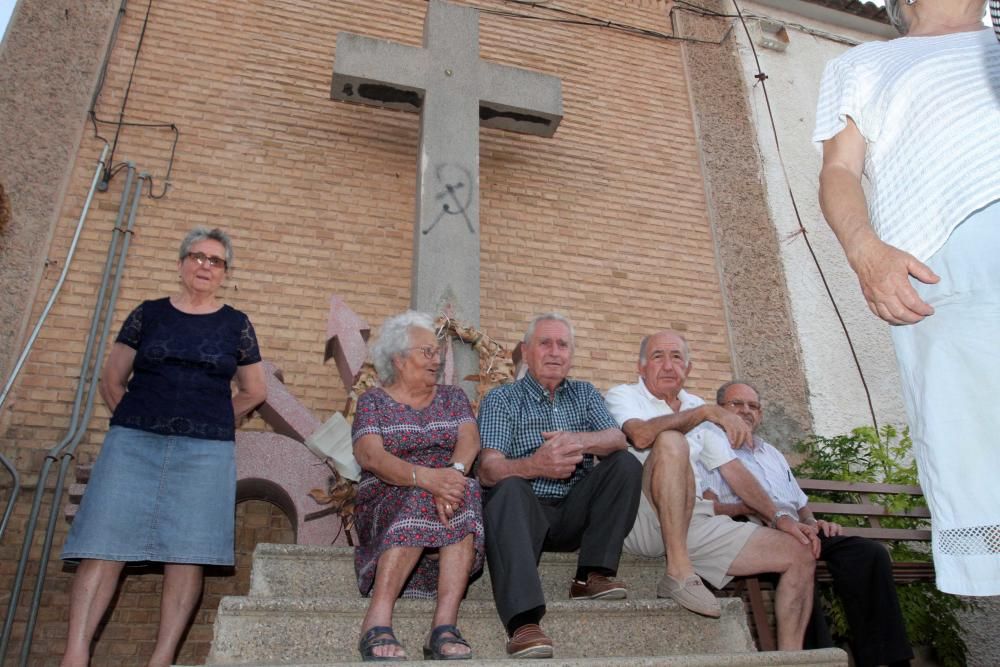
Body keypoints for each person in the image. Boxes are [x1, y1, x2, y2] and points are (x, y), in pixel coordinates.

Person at [814, 0, 1000, 595]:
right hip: (945, 270)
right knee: (979, 460)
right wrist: (866, 251)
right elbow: (839, 169)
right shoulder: (866, 62)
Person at [60, 228, 267, 667]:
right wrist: (138, 418)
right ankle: (74, 656)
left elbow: (254, 391)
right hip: (132, 445)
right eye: (197, 257)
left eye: (215, 261)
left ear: (225, 272)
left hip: (204, 453)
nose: (204, 266)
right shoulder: (148, 314)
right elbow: (111, 380)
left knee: (187, 552)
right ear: (180, 263)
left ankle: (162, 659)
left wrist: (209, 420)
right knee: (103, 544)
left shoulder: (236, 324)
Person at [604, 330, 818, 650]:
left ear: (688, 369)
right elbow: (641, 436)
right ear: (641, 367)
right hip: (641, 519)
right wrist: (703, 412)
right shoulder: (622, 395)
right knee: (671, 441)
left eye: (677, 357)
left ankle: (791, 657)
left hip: (693, 520)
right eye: (658, 356)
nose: (668, 365)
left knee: (799, 552)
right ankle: (678, 574)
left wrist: (778, 518)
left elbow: (733, 471)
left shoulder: (695, 404)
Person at [699, 382, 913, 667]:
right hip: (752, 529)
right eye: (736, 404)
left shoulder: (771, 453)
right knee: (800, 554)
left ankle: (885, 659)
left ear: (760, 415)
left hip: (798, 528)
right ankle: (817, 657)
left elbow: (799, 502)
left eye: (753, 406)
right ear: (720, 410)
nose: (746, 411)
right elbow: (708, 505)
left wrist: (815, 522)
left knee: (868, 553)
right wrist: (745, 507)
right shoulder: (710, 447)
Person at [477, 313, 641, 659]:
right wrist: (534, 465)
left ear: (571, 353)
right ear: (526, 350)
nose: (554, 352)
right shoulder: (502, 399)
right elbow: (488, 470)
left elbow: (617, 437)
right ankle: (523, 623)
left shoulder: (584, 393)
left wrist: (577, 441)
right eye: (545, 343)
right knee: (507, 488)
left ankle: (590, 576)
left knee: (624, 463)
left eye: (562, 344)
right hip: (524, 516)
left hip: (572, 511)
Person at [351, 311, 484, 661]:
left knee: (465, 489)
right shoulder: (373, 402)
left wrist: (452, 475)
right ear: (398, 357)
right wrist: (425, 478)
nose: (436, 358)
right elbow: (371, 456)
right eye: (427, 351)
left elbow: (469, 439)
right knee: (422, 492)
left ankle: (444, 625)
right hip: (386, 495)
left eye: (436, 351)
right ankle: (377, 619)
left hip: (448, 494)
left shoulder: (452, 397)